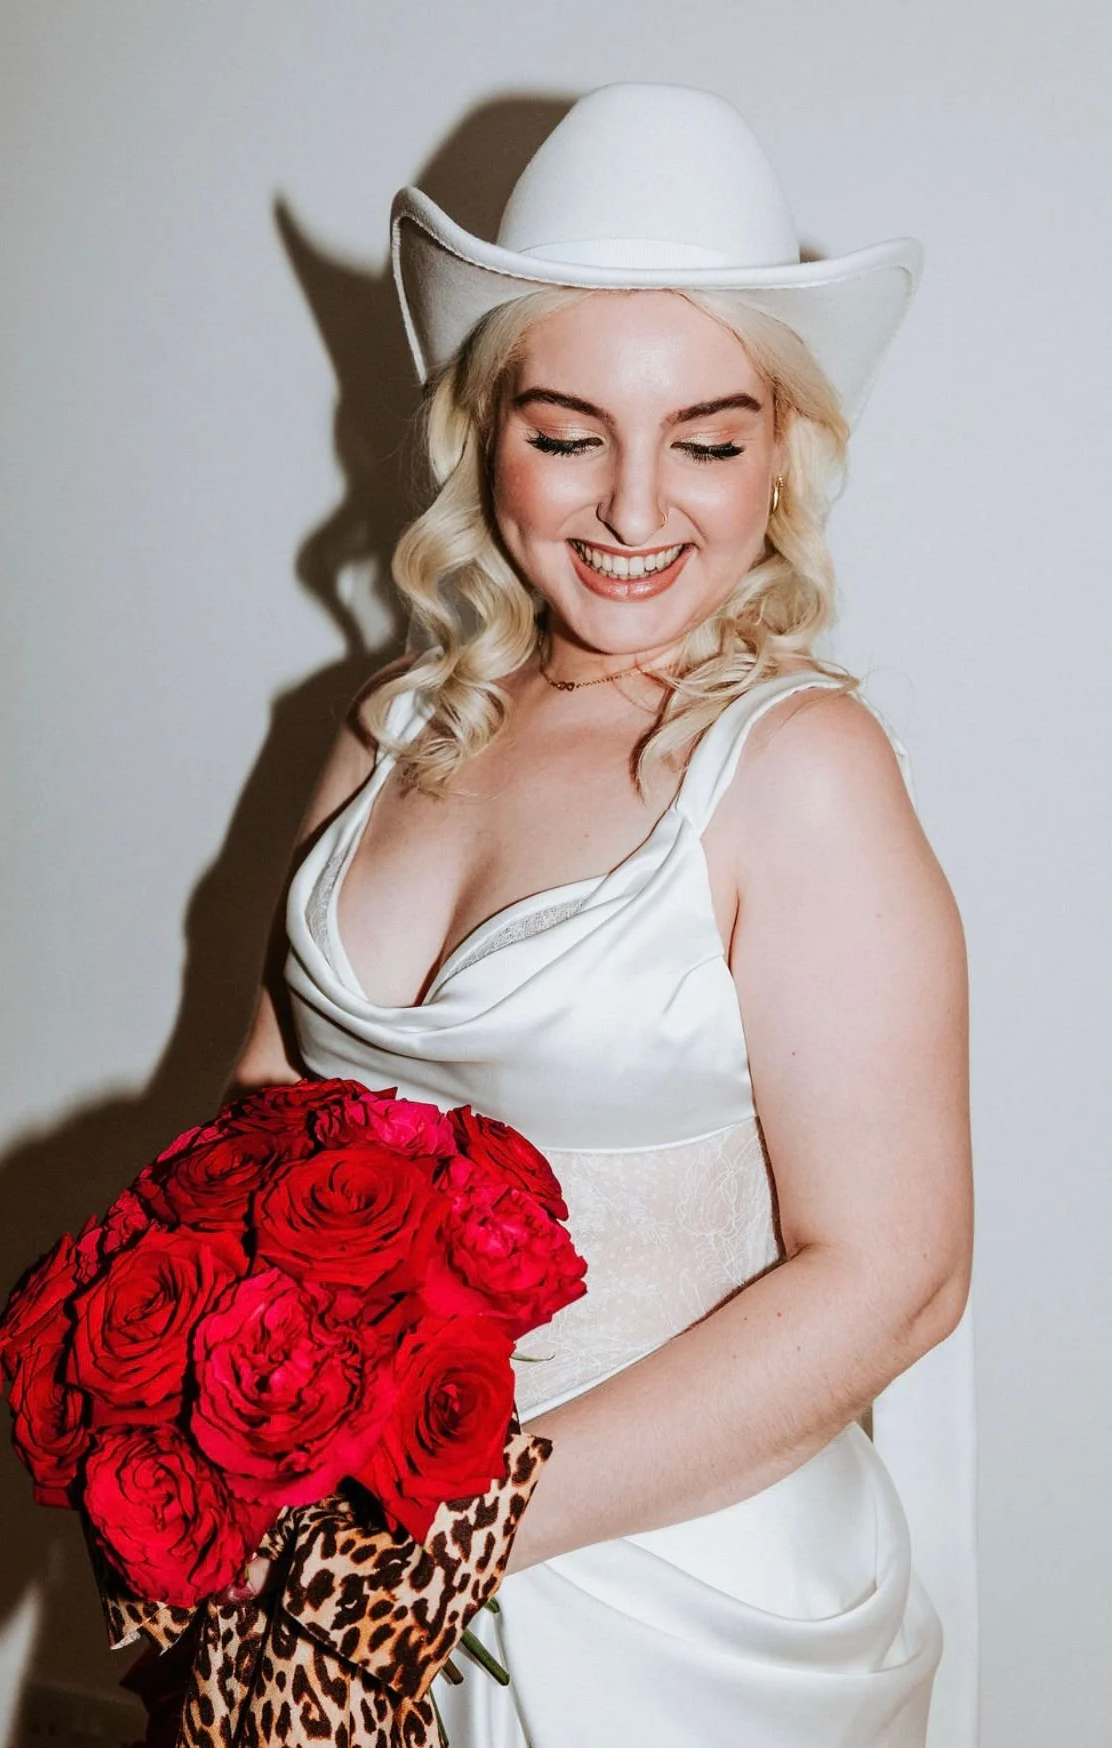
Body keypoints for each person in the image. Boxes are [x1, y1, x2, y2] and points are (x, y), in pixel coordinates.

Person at [229, 83, 973, 1747]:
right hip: (338, 1572)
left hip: (663, 1617)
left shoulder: (796, 771)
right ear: (481, 427)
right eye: (567, 432)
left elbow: (894, 1277)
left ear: (775, 454)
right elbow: (257, 1126)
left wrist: (453, 1531)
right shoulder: (381, 732)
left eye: (705, 439)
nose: (638, 510)